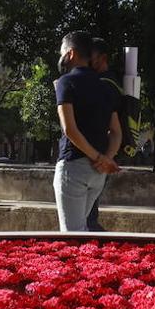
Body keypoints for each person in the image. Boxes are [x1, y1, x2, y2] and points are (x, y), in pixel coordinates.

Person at [53, 30, 122, 232]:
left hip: (73, 167)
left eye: (62, 52)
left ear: (71, 54)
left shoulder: (66, 82)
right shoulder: (106, 87)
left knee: (72, 238)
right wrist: (106, 159)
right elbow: (116, 131)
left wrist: (98, 157)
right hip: (97, 174)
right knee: (83, 232)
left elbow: (69, 129)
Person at [85, 37, 124, 232]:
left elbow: (109, 125)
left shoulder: (104, 84)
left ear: (102, 58)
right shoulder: (111, 82)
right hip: (101, 155)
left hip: (98, 155)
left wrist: (104, 158)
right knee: (87, 215)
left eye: (89, 56)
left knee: (87, 219)